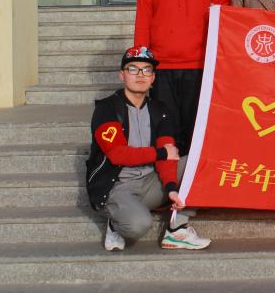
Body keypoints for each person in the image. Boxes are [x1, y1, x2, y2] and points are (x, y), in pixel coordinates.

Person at [87, 45, 211, 252]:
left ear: (153, 77)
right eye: (133, 69)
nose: (140, 75)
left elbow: (168, 154)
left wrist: (171, 188)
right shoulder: (106, 109)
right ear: (122, 75)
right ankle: (115, 224)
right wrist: (160, 153)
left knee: (201, 161)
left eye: (147, 70)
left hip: (149, 183)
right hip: (117, 188)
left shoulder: (159, 110)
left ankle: (177, 229)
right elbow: (117, 154)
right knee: (139, 225)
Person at [135, 0, 229, 154]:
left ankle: (193, 176)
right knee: (167, 130)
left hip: (200, 65)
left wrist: (220, 60)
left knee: (197, 129)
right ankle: (169, 175)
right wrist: (142, 63)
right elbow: (143, 20)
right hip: (162, 65)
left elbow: (223, 19)